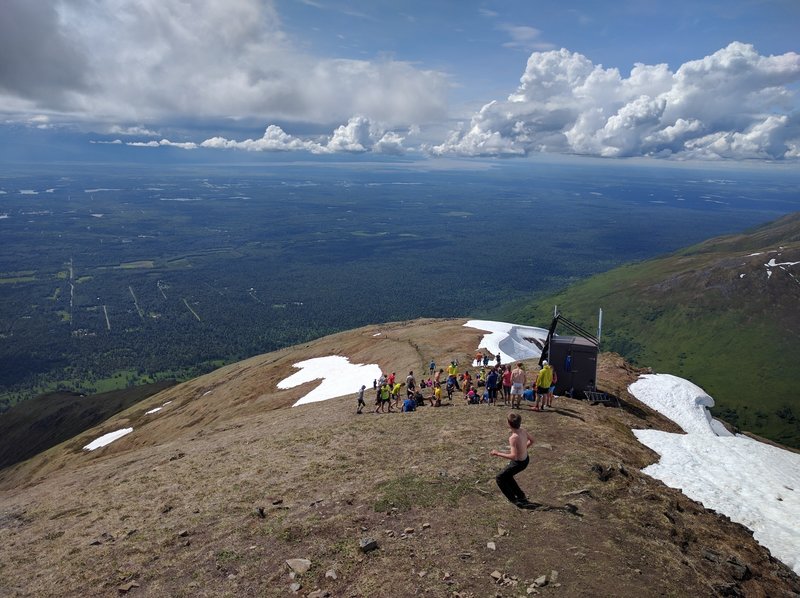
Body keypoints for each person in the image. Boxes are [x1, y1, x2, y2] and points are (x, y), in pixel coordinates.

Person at [490, 412, 534, 507]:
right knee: (508, 476)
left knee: (500, 478)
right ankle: (521, 496)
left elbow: (513, 456)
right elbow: (532, 440)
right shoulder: (523, 430)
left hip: (518, 463)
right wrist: (524, 449)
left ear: (509, 423)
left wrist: (497, 453)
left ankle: (514, 500)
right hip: (525, 459)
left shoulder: (513, 438)